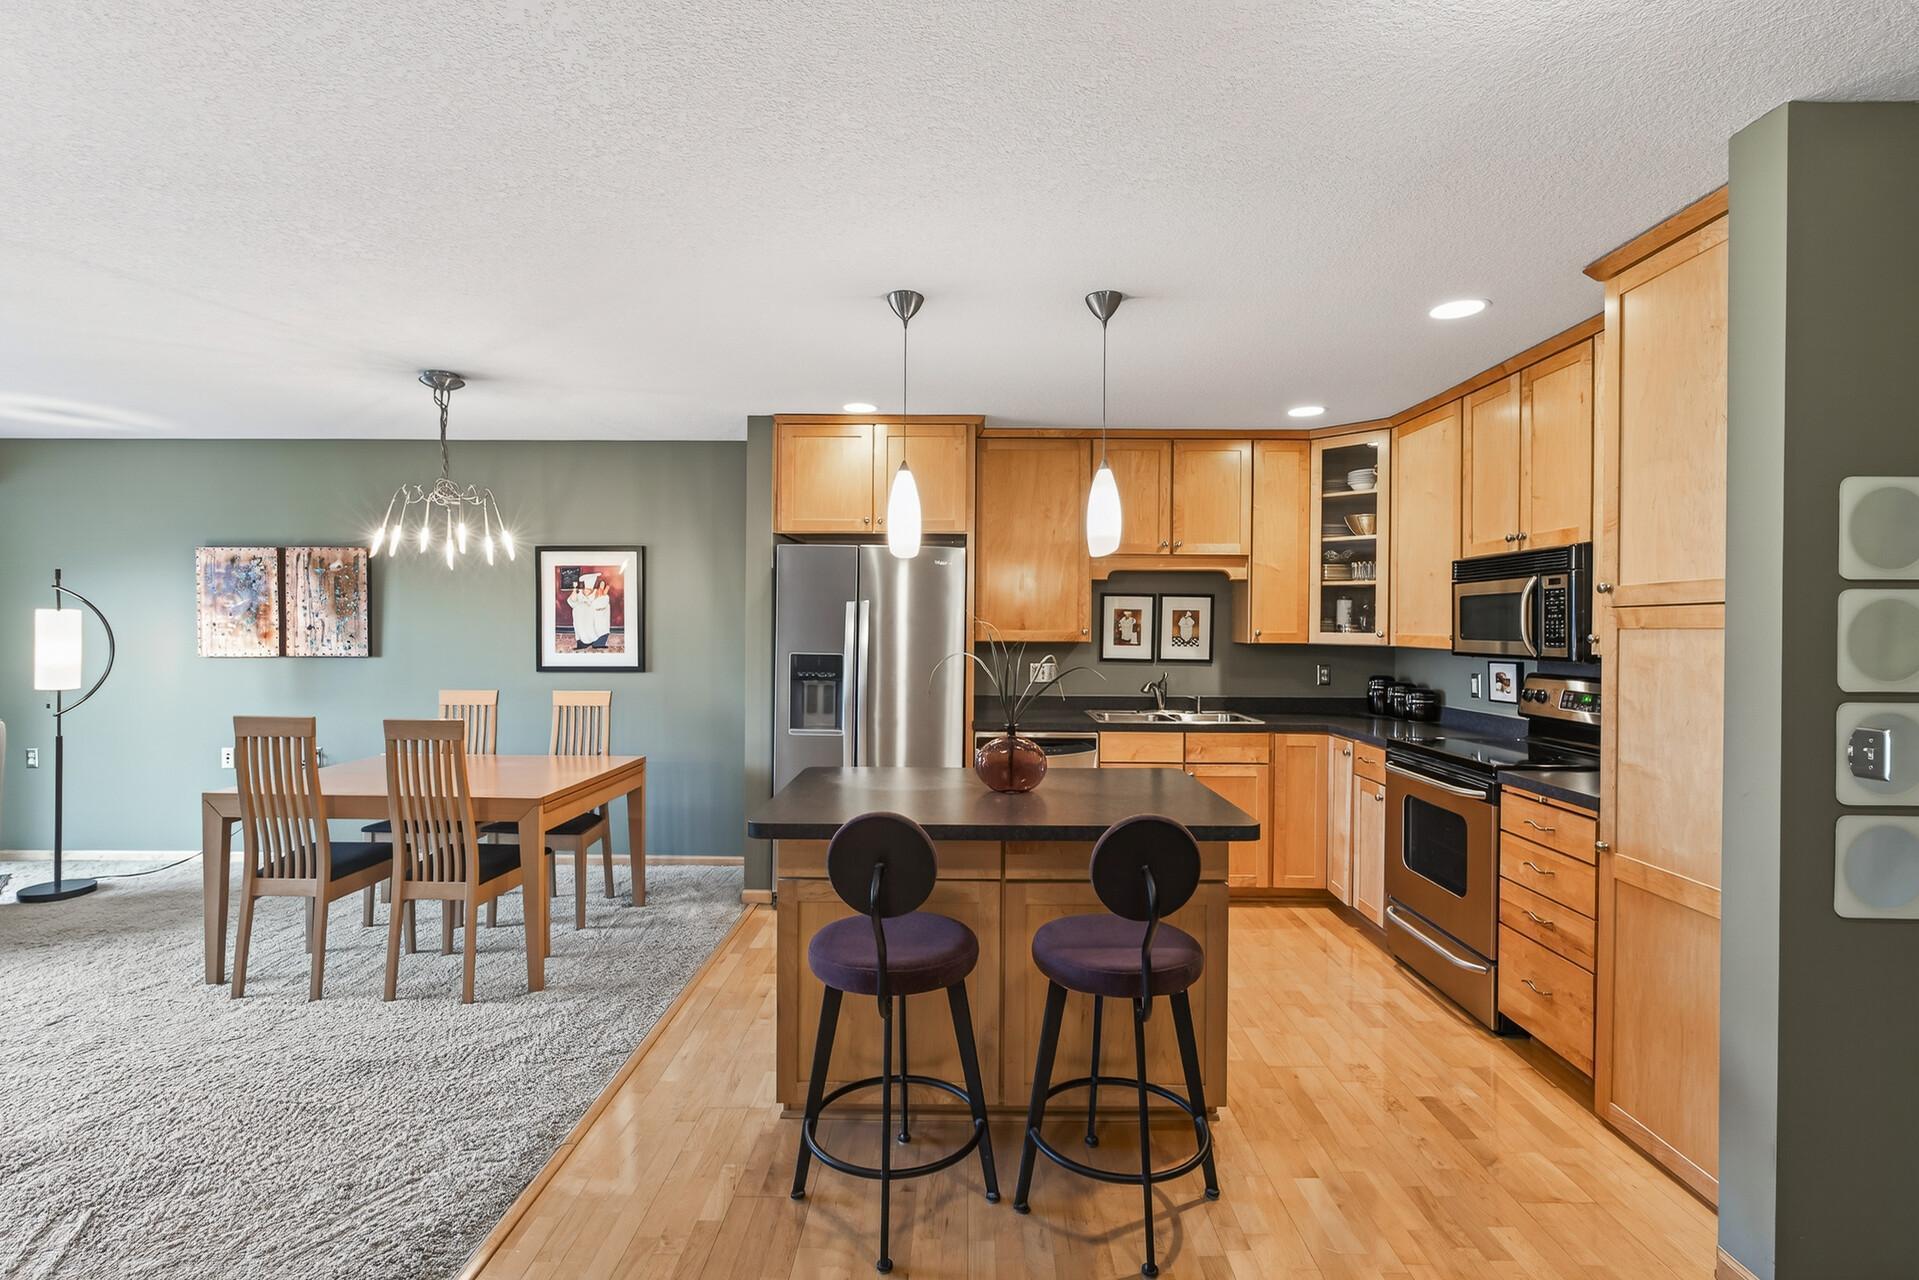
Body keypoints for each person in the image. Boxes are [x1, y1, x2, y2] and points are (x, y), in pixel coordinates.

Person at [567, 573, 609, 649]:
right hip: (581, 626)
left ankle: (598, 642)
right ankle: (582, 643)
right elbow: (572, 602)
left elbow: (601, 604)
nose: (586, 591)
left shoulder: (599, 594)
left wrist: (594, 603)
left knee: (598, 632)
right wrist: (574, 591)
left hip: (596, 627)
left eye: (589, 590)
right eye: (585, 589)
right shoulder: (580, 593)